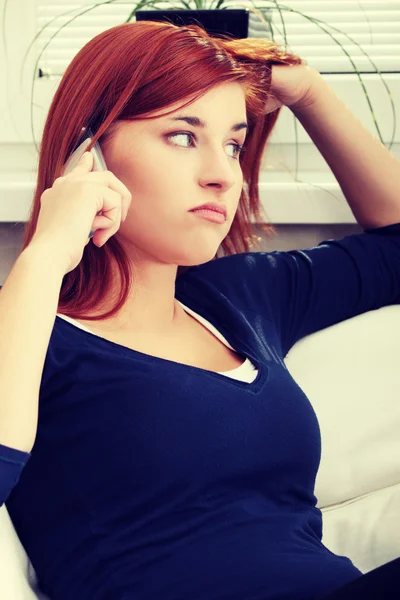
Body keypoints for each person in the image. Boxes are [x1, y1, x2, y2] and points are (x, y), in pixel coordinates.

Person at [0, 18, 399, 600]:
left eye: (233, 144)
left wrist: (310, 95)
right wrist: (44, 259)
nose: (221, 176)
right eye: (183, 136)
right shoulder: (26, 327)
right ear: (91, 154)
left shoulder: (238, 295)